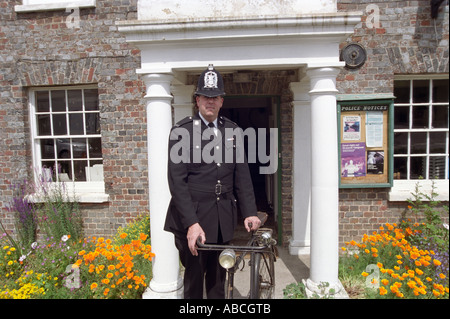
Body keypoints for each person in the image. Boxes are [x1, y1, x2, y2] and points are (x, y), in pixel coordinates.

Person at [164, 64, 261, 299]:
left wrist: (250, 211)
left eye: (215, 97)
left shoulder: (233, 131)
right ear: (197, 100)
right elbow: (177, 183)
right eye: (205, 96)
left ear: (221, 101)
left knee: (219, 280)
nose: (210, 101)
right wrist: (191, 223)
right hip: (193, 218)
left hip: (222, 219)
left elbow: (242, 175)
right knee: (194, 282)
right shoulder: (181, 132)